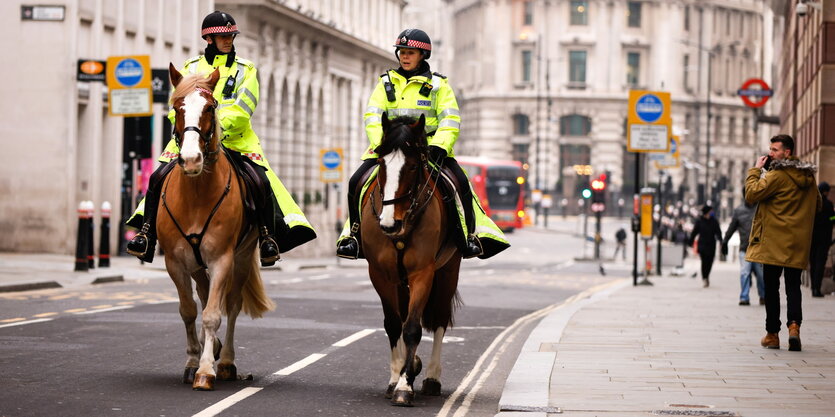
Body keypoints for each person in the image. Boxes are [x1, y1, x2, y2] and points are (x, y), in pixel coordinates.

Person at [126, 11, 316, 266]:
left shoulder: (245, 70)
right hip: (191, 138)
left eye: (231, 36)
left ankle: (267, 237)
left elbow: (243, 109)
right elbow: (177, 108)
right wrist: (189, 131)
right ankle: (146, 233)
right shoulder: (191, 68)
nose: (228, 41)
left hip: (236, 140)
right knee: (158, 176)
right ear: (209, 39)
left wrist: (216, 129)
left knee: (260, 181)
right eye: (222, 36)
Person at [335, 28, 509, 260]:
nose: (404, 57)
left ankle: (469, 237)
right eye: (402, 52)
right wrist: (382, 144)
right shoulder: (385, 83)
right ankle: (353, 237)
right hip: (389, 151)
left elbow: (450, 119)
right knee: (356, 181)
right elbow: (373, 116)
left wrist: (440, 146)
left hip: (429, 151)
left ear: (423, 56)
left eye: (410, 52)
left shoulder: (439, 86)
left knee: (461, 184)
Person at [745, 134, 820, 352]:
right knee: (793, 286)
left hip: (773, 242)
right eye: (770, 149)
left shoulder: (776, 176)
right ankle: (794, 327)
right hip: (797, 243)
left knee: (771, 288)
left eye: (775, 150)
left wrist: (756, 170)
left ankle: (772, 334)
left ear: (787, 152)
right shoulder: (808, 178)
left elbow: (751, 194)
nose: (770, 153)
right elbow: (817, 205)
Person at [721, 188, 764, 306]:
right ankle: (744, 297)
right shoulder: (739, 211)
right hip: (744, 248)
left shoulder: (761, 208)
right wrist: (725, 242)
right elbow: (731, 228)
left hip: (759, 249)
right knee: (745, 273)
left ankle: (763, 296)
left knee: (761, 275)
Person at [810, 182, 835, 297]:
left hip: (811, 238)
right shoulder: (829, 205)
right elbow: (832, 218)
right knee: (820, 263)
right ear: (825, 192)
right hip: (824, 239)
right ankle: (817, 289)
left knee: (813, 263)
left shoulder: (811, 204)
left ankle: (813, 287)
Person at [689, 205, 722, 288]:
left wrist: (721, 241)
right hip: (702, 244)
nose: (711, 213)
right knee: (704, 262)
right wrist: (691, 241)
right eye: (710, 211)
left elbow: (718, 232)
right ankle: (704, 278)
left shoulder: (714, 221)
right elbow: (694, 232)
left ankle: (707, 276)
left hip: (711, 244)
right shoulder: (699, 221)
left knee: (710, 262)